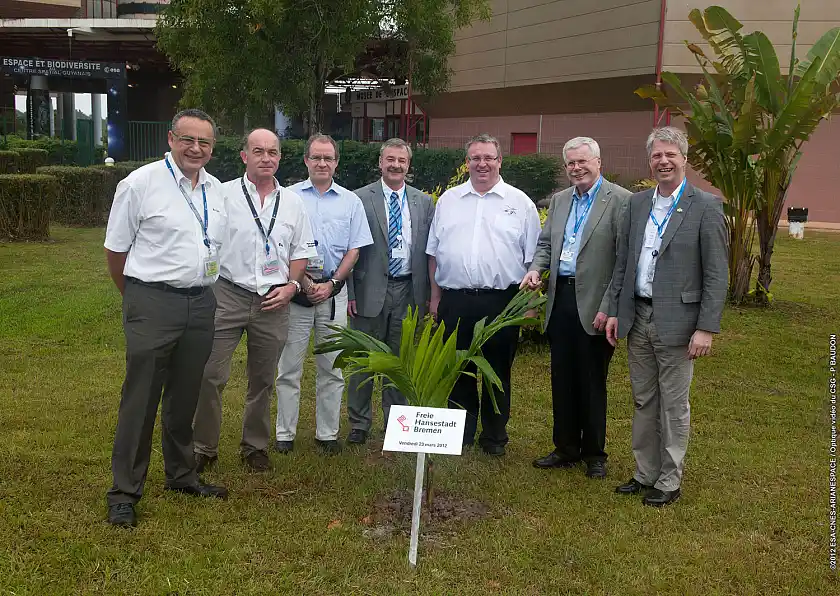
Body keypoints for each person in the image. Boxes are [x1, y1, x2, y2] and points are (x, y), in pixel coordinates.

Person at [103, 109, 229, 527]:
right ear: (171, 138)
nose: (196, 149)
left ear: (212, 147)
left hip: (201, 302)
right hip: (152, 301)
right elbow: (116, 251)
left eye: (205, 143)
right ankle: (124, 492)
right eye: (188, 139)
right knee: (140, 399)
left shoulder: (214, 189)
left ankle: (181, 474)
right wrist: (139, 301)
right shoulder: (140, 184)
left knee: (185, 396)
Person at [606, 126, 727, 507]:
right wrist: (613, 310)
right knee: (644, 399)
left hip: (679, 321)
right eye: (657, 155)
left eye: (670, 155)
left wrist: (706, 327)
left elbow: (716, 273)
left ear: (684, 159)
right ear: (650, 161)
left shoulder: (705, 205)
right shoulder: (638, 204)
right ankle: (645, 473)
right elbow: (624, 262)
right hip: (638, 316)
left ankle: (669, 479)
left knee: (674, 403)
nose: (663, 161)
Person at [192, 128, 316, 473]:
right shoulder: (222, 195)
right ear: (244, 155)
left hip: (274, 300)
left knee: (262, 379)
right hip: (228, 294)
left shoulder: (292, 202)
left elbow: (301, 250)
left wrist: (293, 285)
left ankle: (255, 446)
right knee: (210, 374)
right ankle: (203, 447)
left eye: (272, 152)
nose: (266, 158)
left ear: (279, 157)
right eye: (258, 151)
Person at [522, 136, 631, 479]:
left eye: (583, 161)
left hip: (597, 304)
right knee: (562, 378)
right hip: (561, 300)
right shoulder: (559, 201)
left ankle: (594, 453)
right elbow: (545, 244)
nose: (576, 168)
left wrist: (610, 306)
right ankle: (565, 447)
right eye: (570, 163)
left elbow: (623, 262)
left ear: (599, 162)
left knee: (592, 381)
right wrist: (536, 269)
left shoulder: (620, 201)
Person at [426, 133, 541, 456]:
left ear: (500, 161)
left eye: (489, 157)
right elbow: (433, 253)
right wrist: (435, 299)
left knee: (496, 370)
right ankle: (460, 433)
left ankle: (494, 436)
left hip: (501, 302)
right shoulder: (449, 200)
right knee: (458, 369)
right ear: (466, 164)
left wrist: (528, 307)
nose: (482, 164)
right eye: (475, 158)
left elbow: (535, 258)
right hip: (455, 299)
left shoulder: (520, 203)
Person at [274, 134, 373, 454]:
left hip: (333, 293)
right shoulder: (287, 197)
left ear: (336, 163)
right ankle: (284, 433)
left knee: (332, 367)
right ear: (305, 160)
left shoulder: (350, 201)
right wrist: (303, 284)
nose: (321, 163)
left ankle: (327, 433)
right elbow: (280, 247)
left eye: (328, 158)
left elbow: (355, 249)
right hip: (295, 292)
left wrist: (331, 285)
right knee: (289, 367)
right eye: (316, 157)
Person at [346, 138, 435, 444]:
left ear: (409, 166)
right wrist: (350, 293)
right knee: (364, 359)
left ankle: (397, 425)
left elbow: (429, 251)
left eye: (402, 161)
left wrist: (429, 295)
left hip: (409, 290)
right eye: (390, 160)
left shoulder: (424, 202)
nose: (396, 165)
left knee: (400, 361)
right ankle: (359, 424)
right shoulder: (359, 199)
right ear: (380, 162)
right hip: (369, 291)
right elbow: (350, 249)